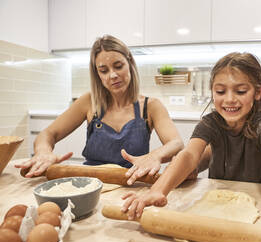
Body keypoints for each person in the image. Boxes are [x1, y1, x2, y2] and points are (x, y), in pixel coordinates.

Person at [121, 52, 261, 242]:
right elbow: (189, 155)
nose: (229, 99)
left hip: (257, 206)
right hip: (216, 204)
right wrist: (158, 190)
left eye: (240, 91)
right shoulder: (210, 123)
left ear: (258, 92)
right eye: (220, 91)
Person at [15, 35, 184, 185]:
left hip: (132, 185)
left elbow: (176, 143)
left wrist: (155, 156)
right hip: (89, 185)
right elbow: (47, 134)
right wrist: (44, 152)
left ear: (130, 63)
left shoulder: (151, 106)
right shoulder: (89, 102)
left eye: (118, 66)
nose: (112, 75)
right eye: (104, 70)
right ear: (97, 74)